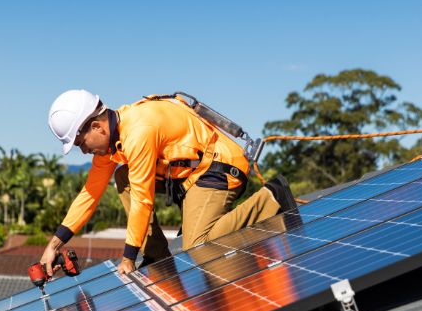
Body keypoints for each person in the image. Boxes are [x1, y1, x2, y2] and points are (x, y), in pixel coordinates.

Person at [39, 89, 295, 276]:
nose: (83, 151)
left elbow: (142, 198)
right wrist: (54, 245)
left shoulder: (139, 131)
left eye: (81, 143)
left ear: (97, 127)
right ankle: (157, 254)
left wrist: (129, 257)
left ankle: (271, 197)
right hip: (189, 177)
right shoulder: (113, 143)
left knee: (199, 246)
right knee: (122, 175)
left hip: (219, 168)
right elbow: (90, 194)